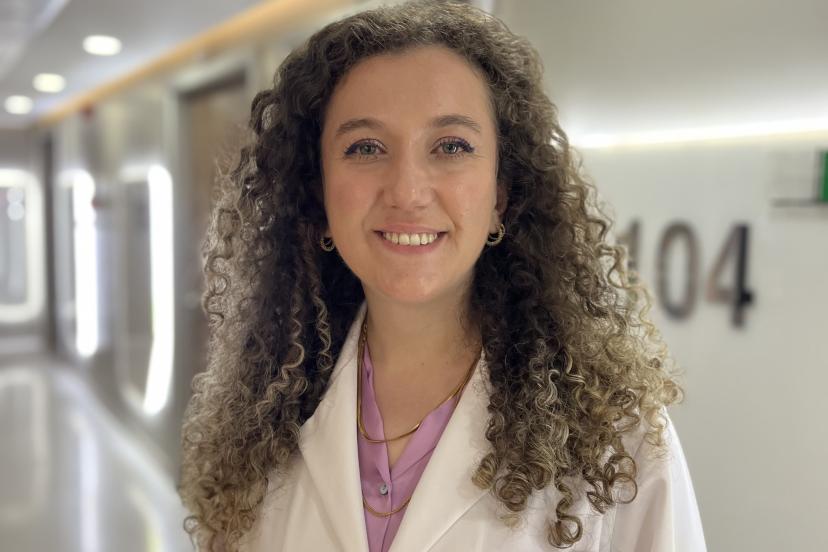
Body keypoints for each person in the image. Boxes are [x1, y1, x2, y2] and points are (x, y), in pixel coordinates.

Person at [178, 1, 707, 551]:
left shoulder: (618, 436)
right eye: (365, 147)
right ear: (318, 196)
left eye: (451, 146)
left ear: (500, 196)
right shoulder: (258, 420)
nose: (407, 191)